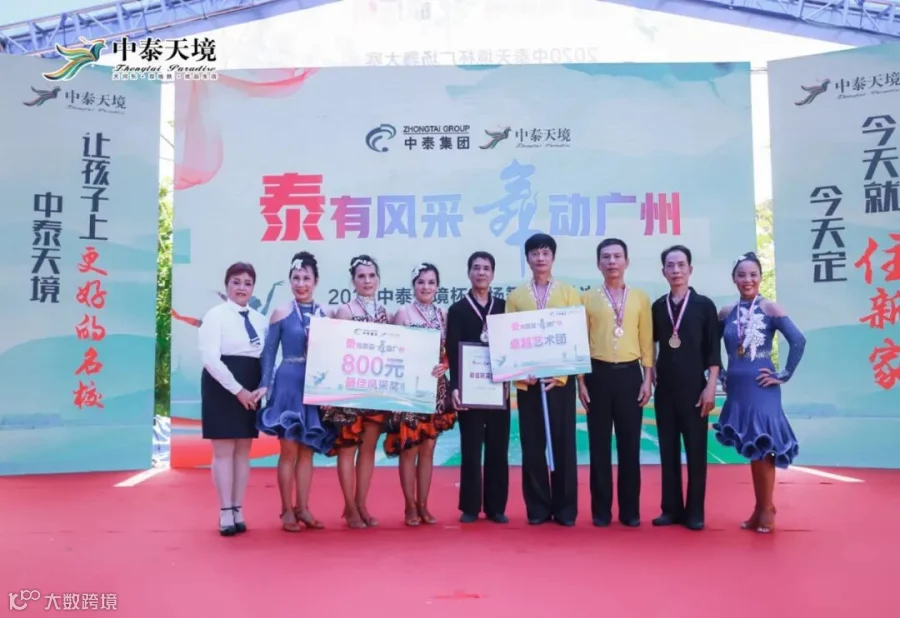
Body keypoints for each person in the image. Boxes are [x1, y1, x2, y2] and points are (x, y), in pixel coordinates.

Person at [714, 252, 804, 533]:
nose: (747, 280)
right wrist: (720, 374)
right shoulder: (726, 312)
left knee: (764, 447)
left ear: (761, 277)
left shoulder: (771, 308)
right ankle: (759, 508)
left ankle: (766, 510)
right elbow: (709, 347)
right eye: (741, 275)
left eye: (753, 274)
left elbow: (798, 340)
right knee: (752, 447)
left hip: (762, 387)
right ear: (734, 278)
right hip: (737, 388)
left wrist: (784, 374)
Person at [256, 252, 336, 532]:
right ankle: (286, 509)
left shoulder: (326, 314)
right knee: (289, 450)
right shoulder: (281, 311)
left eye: (306, 278)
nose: (301, 284)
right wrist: (265, 385)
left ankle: (303, 507)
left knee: (307, 451)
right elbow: (269, 352)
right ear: (290, 280)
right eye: (296, 278)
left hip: (315, 385)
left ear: (316, 281)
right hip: (288, 383)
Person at [506, 233, 582, 526]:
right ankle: (537, 507)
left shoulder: (569, 293)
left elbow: (575, 336)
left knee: (564, 445)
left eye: (545, 253)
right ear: (527, 258)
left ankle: (565, 509)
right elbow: (509, 340)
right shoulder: (516, 297)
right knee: (533, 444)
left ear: (553, 257)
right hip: (529, 383)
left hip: (559, 382)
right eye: (535, 253)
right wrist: (520, 374)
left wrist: (561, 376)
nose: (540, 258)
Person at [578, 238, 654, 527]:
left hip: (630, 376)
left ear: (627, 262)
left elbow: (646, 340)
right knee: (598, 446)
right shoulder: (587, 298)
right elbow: (580, 342)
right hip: (597, 375)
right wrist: (580, 382)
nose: (612, 262)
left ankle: (630, 511)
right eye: (606, 257)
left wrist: (647, 379)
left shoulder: (640, 298)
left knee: (629, 445)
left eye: (617, 256)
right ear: (598, 263)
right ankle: (601, 511)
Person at [650, 245, 720, 531]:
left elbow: (714, 351)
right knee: (667, 450)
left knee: (695, 450)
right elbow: (650, 345)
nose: (676, 270)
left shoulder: (704, 306)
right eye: (670, 265)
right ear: (663, 271)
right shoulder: (658, 306)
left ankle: (695, 512)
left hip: (695, 389)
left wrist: (711, 386)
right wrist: (649, 372)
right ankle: (670, 509)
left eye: (681, 265)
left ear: (690, 269)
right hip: (665, 390)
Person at [198, 262, 268, 536]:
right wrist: (237, 390)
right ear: (227, 285)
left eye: (247, 283)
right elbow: (210, 358)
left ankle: (238, 507)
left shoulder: (260, 320)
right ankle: (225, 510)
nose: (241, 288)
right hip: (222, 386)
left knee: (243, 450)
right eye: (236, 282)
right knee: (224, 450)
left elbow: (266, 358)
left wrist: (262, 387)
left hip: (251, 387)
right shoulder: (215, 315)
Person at [321, 255, 391, 529]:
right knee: (348, 448)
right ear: (353, 281)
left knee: (369, 449)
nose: (367, 281)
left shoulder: (385, 313)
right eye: (361, 276)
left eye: (371, 276)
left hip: (376, 390)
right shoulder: (345, 311)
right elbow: (336, 351)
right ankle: (349, 507)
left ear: (378, 279)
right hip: (349, 390)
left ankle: (361, 503)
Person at [384, 263, 456, 526]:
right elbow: (392, 350)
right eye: (421, 282)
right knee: (409, 448)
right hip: (409, 389)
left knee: (428, 448)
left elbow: (448, 351)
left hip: (435, 389)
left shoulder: (443, 314)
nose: (426, 287)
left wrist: (445, 365)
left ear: (437, 286)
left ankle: (424, 504)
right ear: (413, 285)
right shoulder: (403, 313)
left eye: (431, 282)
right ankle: (409, 506)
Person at [446, 251, 510, 524]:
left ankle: (496, 507)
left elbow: (512, 348)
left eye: (486, 268)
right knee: (471, 448)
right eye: (476, 268)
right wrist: (455, 387)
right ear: (469, 273)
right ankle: (470, 506)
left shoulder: (504, 308)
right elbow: (452, 351)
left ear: (493, 274)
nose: (481, 272)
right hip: (469, 390)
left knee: (498, 448)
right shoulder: (458, 310)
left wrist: (509, 379)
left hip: (498, 390)